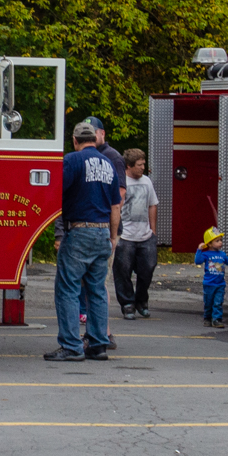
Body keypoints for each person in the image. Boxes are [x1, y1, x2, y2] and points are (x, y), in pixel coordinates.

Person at [49, 120, 122, 362]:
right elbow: (115, 206)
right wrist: (112, 237)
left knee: (68, 289)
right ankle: (98, 343)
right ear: (95, 138)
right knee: (97, 290)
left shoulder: (72, 160)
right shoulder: (109, 164)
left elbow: (56, 193)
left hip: (79, 231)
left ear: (75, 140)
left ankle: (71, 346)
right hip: (102, 233)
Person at [113, 149, 159, 320]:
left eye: (143, 164)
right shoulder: (121, 182)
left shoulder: (147, 182)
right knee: (123, 271)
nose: (143, 167)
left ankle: (141, 300)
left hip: (145, 235)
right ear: (129, 166)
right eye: (139, 165)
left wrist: (153, 231)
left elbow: (152, 204)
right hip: (125, 236)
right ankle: (127, 304)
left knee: (148, 268)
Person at [193, 227, 228, 327]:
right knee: (208, 302)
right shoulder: (206, 254)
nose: (220, 243)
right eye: (217, 241)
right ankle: (207, 318)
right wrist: (199, 250)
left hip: (220, 284)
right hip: (209, 284)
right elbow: (198, 261)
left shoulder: (222, 255)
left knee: (218, 302)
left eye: (221, 240)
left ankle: (217, 320)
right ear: (209, 244)